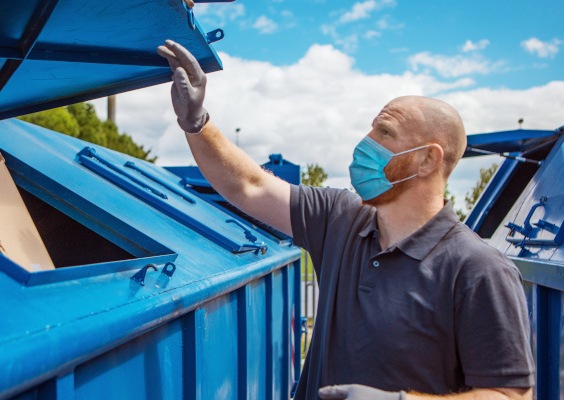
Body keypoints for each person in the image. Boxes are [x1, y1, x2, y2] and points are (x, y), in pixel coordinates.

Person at [157, 40, 535, 400]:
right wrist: (197, 122)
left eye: (384, 133)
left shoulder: (479, 270)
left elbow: (510, 394)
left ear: (427, 160)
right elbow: (249, 186)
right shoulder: (341, 219)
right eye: (371, 127)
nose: (365, 141)